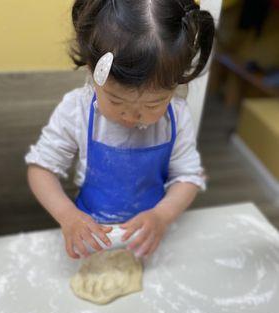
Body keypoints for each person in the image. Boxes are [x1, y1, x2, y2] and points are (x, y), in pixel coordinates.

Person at [25, 0, 215, 259]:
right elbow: (41, 169)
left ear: (175, 86)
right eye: (115, 101)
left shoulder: (177, 116)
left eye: (153, 103)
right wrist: (68, 216)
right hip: (92, 233)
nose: (131, 115)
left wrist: (161, 216)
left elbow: (188, 177)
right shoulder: (77, 109)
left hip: (149, 237)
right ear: (94, 73)